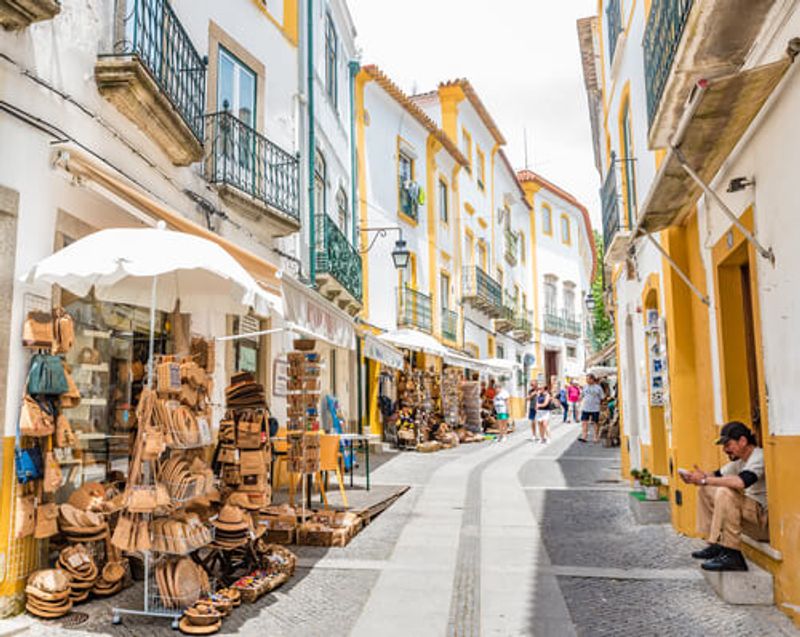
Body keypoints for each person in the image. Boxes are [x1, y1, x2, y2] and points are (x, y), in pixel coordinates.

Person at [679, 422, 768, 572]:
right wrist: (695, 478)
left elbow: (741, 482)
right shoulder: (740, 461)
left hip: (763, 523)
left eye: (728, 444)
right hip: (751, 516)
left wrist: (705, 479)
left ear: (743, 441)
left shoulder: (758, 456)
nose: (725, 449)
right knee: (706, 489)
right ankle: (716, 545)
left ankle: (733, 554)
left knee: (725, 492)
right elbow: (715, 476)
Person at [579, 374, 605, 443]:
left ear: (592, 379)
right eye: (586, 379)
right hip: (585, 407)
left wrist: (600, 404)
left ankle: (595, 437)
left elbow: (602, 397)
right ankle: (584, 436)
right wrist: (580, 399)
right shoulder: (585, 387)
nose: (586, 380)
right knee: (584, 422)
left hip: (595, 408)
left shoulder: (598, 388)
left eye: (588, 379)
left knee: (595, 423)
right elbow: (582, 395)